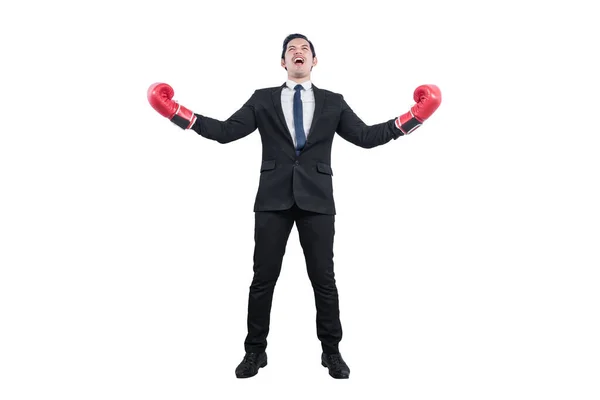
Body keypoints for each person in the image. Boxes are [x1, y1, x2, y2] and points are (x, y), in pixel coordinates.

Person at [147, 33, 441, 379]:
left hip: (317, 199)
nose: (298, 53)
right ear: (283, 63)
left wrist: (415, 117)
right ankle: (255, 351)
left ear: (314, 61)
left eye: (305, 49)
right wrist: (176, 113)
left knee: (324, 280)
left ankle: (331, 352)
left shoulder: (334, 102)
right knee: (263, 279)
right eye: (291, 50)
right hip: (272, 199)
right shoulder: (263, 99)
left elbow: (365, 138)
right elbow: (226, 132)